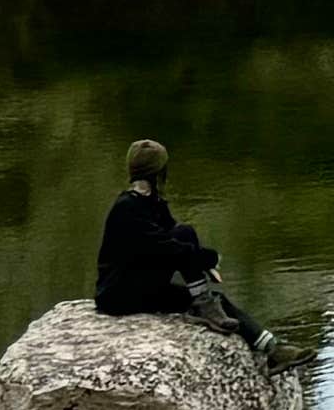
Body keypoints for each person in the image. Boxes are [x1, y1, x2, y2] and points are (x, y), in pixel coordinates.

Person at [93, 137, 272, 352]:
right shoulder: (127, 208)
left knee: (212, 292)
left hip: (140, 285)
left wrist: (198, 260)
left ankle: (271, 347)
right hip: (118, 295)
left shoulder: (152, 203)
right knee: (184, 245)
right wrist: (208, 258)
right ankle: (206, 305)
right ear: (158, 173)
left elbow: (176, 237)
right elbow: (167, 249)